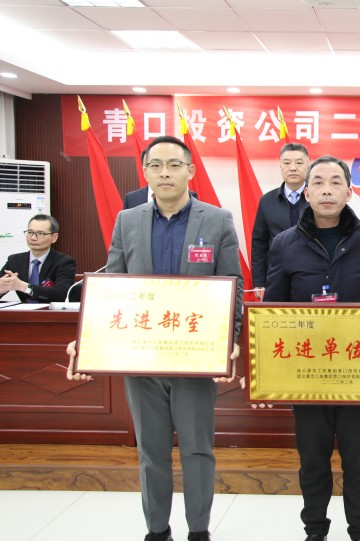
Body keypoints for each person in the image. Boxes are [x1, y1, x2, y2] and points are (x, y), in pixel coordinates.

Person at [67, 135, 243, 541]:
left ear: (190, 171)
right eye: (156, 165)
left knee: (197, 448)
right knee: (151, 451)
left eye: (174, 165)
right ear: (145, 171)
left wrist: (228, 339)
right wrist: (89, 336)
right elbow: (112, 284)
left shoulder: (217, 220)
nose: (165, 173)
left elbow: (231, 284)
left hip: (195, 356)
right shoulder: (127, 220)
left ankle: (198, 531)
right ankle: (157, 531)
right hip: (141, 357)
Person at [263, 156, 360, 541]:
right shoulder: (284, 244)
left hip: (358, 370)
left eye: (336, 182)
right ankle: (315, 531)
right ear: (306, 192)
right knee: (312, 460)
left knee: (358, 459)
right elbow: (273, 306)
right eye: (319, 183)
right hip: (306, 371)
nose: (327, 190)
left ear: (349, 191)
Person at [251, 143, 310, 297]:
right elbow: (259, 244)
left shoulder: (317, 199)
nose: (293, 168)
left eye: (299, 163)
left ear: (308, 166)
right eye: (287, 163)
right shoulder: (267, 201)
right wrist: (259, 281)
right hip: (276, 274)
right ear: (281, 167)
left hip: (310, 274)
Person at [0, 214, 76, 303]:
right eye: (30, 232)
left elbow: (61, 294)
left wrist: (24, 287)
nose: (33, 238)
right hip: (23, 310)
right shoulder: (14, 260)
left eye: (40, 234)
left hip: (50, 311)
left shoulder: (64, 262)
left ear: (54, 237)